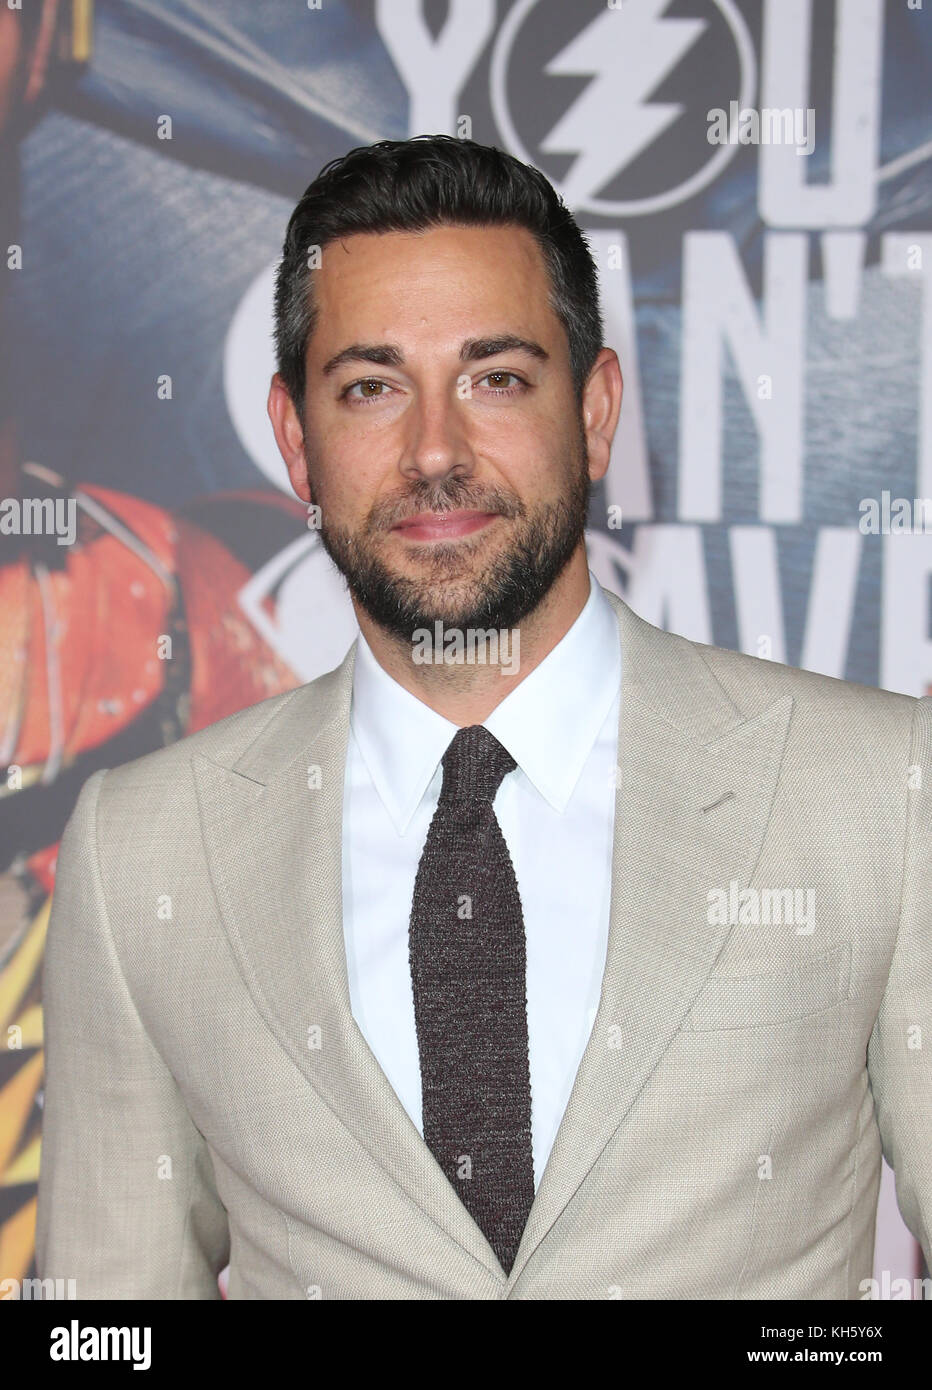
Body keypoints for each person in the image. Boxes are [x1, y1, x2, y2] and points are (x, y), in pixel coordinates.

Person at [36, 135, 930, 1300]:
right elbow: (108, 1321)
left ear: (596, 409)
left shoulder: (877, 789)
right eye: (369, 386)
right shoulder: (142, 846)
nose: (434, 451)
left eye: (494, 376)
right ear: (296, 440)